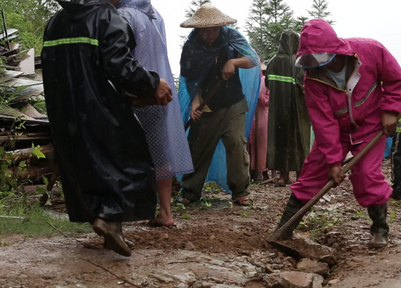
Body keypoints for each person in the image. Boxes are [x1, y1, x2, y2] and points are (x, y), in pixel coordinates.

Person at [42, 0, 173, 256]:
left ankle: (111, 226)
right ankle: (110, 219)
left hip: (64, 113)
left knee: (88, 167)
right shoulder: (107, 18)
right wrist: (153, 83)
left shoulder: (56, 23)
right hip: (100, 109)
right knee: (129, 161)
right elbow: (120, 67)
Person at [275, 19, 401, 249]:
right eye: (311, 59)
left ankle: (379, 229)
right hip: (337, 130)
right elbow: (324, 123)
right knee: (312, 174)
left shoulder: (371, 50)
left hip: (370, 125)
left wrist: (391, 111)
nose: (317, 65)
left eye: (320, 58)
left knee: (367, 175)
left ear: (335, 49)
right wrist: (333, 161)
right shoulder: (313, 78)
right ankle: (284, 229)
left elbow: (396, 80)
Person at [116, 0, 194, 227]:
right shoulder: (154, 15)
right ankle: (166, 212)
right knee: (160, 153)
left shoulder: (122, 15)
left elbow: (120, 58)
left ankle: (121, 212)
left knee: (123, 153)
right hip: (161, 91)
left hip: (134, 93)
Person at [178, 4, 261, 206]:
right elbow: (190, 78)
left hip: (233, 102)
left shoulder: (231, 37)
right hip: (208, 105)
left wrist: (233, 62)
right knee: (199, 148)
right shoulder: (191, 48)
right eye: (203, 30)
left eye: (212, 29)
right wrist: (196, 100)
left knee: (235, 143)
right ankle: (190, 192)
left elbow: (251, 59)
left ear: (220, 26)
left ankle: (240, 191)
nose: (207, 35)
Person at [265, 29, 311, 186]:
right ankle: (300, 176)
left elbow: (267, 84)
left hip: (278, 111)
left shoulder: (272, 62)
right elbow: (304, 86)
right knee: (299, 141)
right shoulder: (298, 62)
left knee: (280, 141)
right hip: (297, 110)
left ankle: (283, 177)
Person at [249, 64, 270, 183]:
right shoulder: (247, 81)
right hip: (250, 117)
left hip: (262, 117)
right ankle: (250, 172)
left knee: (261, 146)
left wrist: (261, 97)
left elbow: (269, 100)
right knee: (249, 145)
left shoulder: (265, 82)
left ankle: (260, 172)